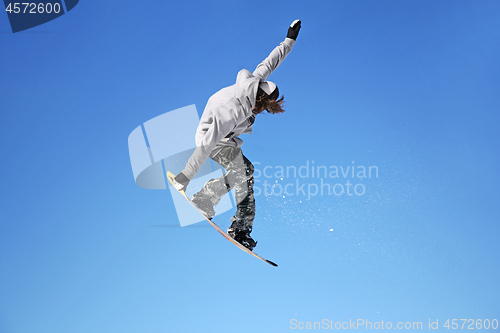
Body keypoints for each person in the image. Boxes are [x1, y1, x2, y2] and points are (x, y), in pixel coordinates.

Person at [172, 20, 301, 250]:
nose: (260, 113)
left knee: (245, 172)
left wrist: (289, 40)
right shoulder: (233, 109)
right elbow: (207, 143)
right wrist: (185, 176)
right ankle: (228, 219)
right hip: (211, 139)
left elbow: (270, 62)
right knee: (243, 171)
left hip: (224, 140)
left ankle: (218, 209)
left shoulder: (255, 84)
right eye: (264, 108)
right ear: (260, 99)